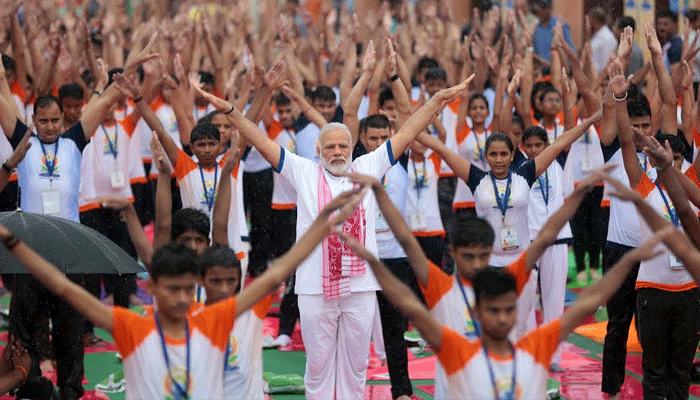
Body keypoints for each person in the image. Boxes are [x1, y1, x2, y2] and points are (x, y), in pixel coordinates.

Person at [195, 65, 471, 397]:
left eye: (342, 146)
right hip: (314, 289)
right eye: (330, 147)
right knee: (318, 368)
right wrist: (229, 111)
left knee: (356, 369)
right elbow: (257, 137)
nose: (337, 152)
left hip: (360, 288)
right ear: (318, 151)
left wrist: (436, 101)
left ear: (352, 148)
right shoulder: (302, 170)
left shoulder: (368, 165)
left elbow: (409, 130)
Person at [0, 183, 366, 399]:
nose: (180, 298)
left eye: (188, 289)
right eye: (171, 289)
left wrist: (322, 223)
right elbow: (63, 287)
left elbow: (274, 277)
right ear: (152, 287)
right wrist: (15, 243)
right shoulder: (133, 328)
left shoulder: (213, 320)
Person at [336, 172, 673, 400]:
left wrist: (578, 196)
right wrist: (373, 233)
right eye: (469, 257)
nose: (479, 264)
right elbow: (408, 253)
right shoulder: (446, 305)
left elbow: (546, 243)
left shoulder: (510, 295)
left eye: (485, 256)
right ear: (453, 254)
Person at [589, 8, 618, 73]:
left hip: (602, 77)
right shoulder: (597, 34)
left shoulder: (607, 37)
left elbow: (606, 63)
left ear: (593, 20)